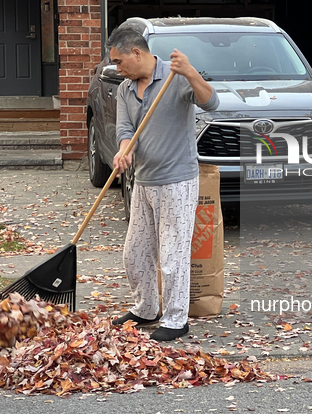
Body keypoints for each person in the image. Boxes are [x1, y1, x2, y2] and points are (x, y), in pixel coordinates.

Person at [106, 26, 219, 341]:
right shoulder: (125, 90)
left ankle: (175, 320)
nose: (117, 68)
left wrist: (191, 72)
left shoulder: (175, 76)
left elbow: (212, 103)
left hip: (176, 181)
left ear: (137, 53)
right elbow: (125, 128)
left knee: (172, 254)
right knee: (135, 252)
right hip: (143, 181)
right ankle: (145, 309)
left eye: (118, 61)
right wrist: (123, 151)